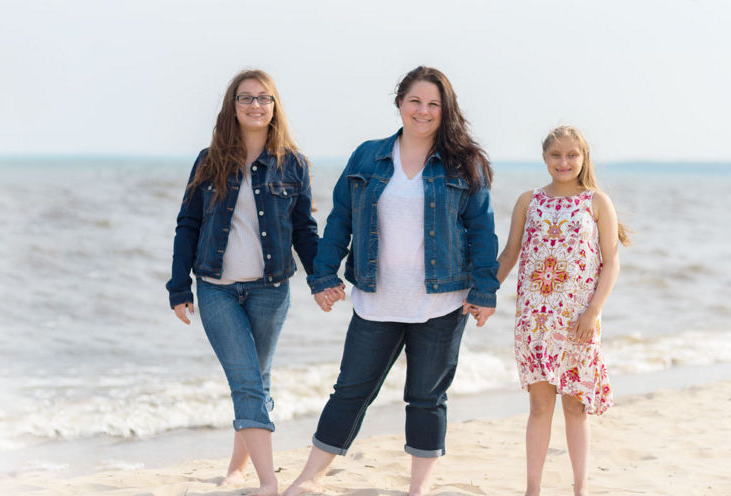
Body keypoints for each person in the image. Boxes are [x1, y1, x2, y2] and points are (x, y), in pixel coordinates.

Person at [282, 66, 499, 496]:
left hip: (441, 301)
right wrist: (323, 274)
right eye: (415, 101)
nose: (424, 111)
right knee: (350, 390)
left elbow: (481, 229)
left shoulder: (464, 163)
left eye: (434, 103)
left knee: (426, 397)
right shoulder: (368, 156)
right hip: (375, 299)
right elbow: (340, 217)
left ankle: (418, 488)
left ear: (445, 109)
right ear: (400, 102)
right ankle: (310, 478)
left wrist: (484, 290)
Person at [166, 69, 319, 496]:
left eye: (263, 98)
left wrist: (322, 279)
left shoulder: (293, 164)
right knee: (248, 380)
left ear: (275, 107)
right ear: (232, 107)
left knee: (257, 377)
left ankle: (237, 466)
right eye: (245, 98)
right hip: (216, 288)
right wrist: (179, 287)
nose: (255, 105)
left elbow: (305, 230)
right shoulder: (209, 160)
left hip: (271, 290)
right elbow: (188, 225)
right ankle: (269, 482)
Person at [495, 125, 627, 496]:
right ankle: (532, 489)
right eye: (556, 155)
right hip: (534, 321)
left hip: (579, 321)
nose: (564, 162)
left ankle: (580, 488)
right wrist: (484, 292)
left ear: (583, 158)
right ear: (544, 158)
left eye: (572, 155)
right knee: (539, 406)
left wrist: (593, 312)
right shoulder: (528, 200)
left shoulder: (596, 202)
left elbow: (611, 263)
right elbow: (510, 254)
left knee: (575, 407)